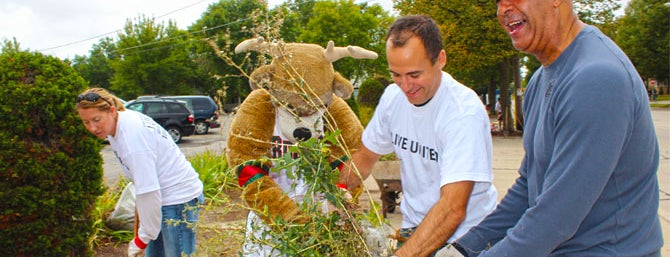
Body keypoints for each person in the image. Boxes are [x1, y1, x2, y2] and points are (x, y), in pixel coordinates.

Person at [452, 0, 663, 256]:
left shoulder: (596, 78)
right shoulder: (541, 79)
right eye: (498, 1)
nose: (503, 9)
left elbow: (556, 218)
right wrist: (463, 248)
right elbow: (529, 187)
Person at [338, 15, 498, 257]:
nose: (405, 85)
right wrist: (337, 189)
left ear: (440, 59)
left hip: (465, 236)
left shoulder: (462, 113)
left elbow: (453, 208)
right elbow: (366, 156)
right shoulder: (393, 97)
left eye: (414, 75)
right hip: (415, 227)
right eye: (396, 75)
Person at [76, 88, 204, 257]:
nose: (92, 128)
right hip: (161, 199)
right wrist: (145, 233)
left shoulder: (132, 138)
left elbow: (149, 191)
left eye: (96, 120)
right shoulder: (118, 124)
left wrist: (141, 239)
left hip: (177, 201)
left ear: (111, 111)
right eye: (86, 122)